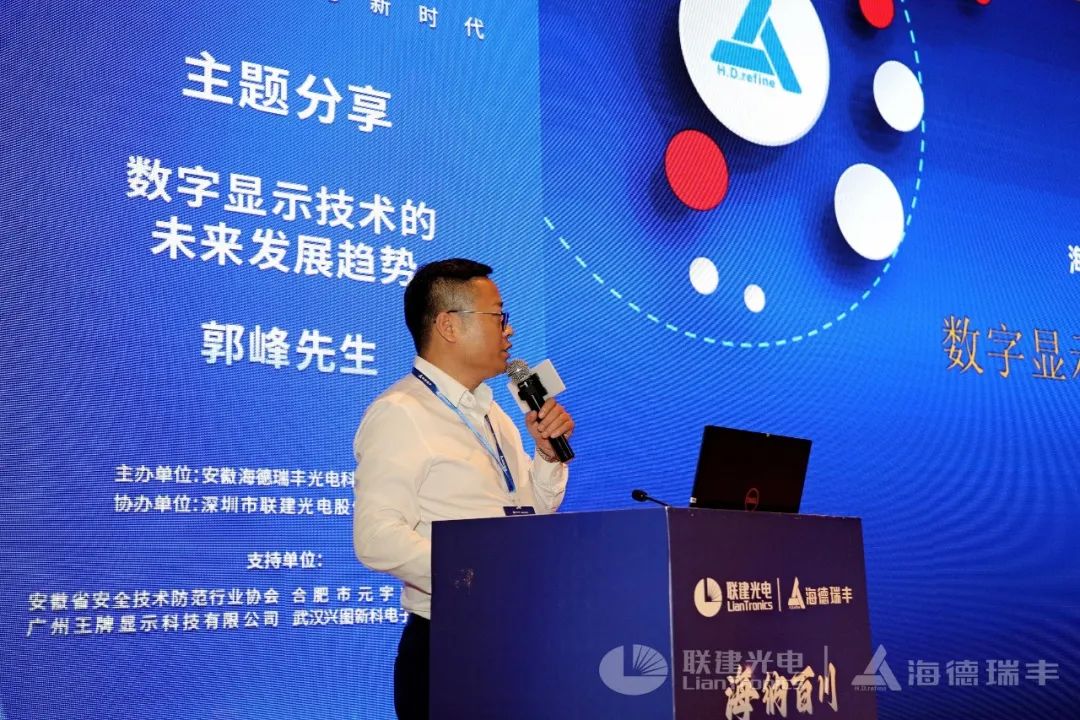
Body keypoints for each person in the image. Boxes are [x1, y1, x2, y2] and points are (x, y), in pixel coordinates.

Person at [353, 258, 574, 720]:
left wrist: (548, 456)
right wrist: (474, 576)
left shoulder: (494, 414)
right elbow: (376, 538)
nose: (510, 331)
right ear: (449, 325)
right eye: (499, 316)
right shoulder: (401, 412)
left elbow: (531, 513)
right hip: (448, 644)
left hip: (512, 635)